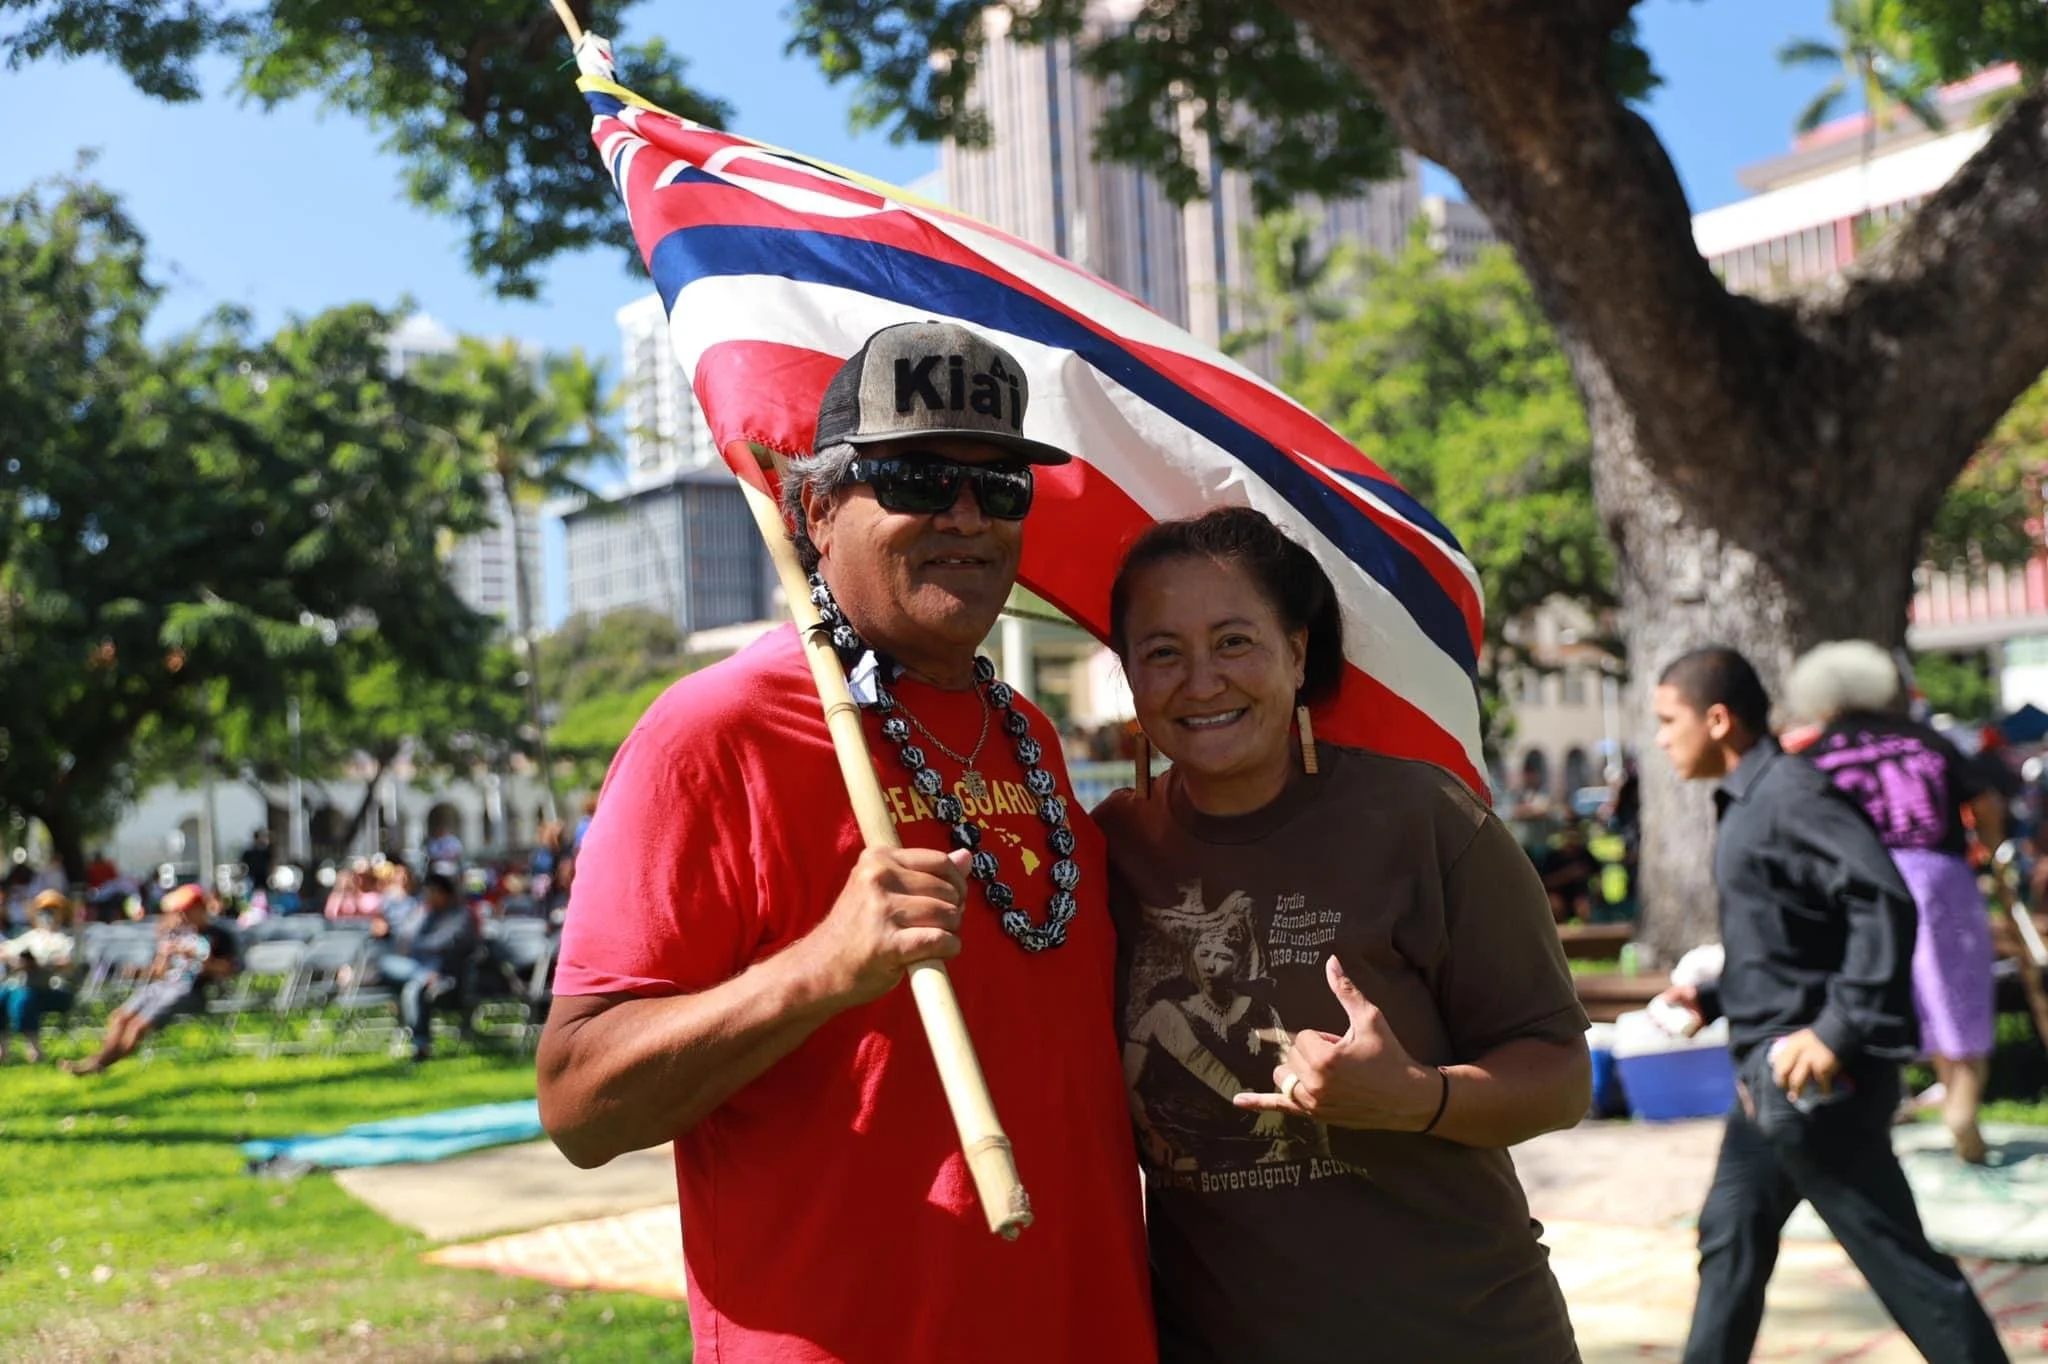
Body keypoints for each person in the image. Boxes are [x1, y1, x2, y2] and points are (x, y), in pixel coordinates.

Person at [537, 321, 1154, 1363]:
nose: (966, 515)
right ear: (817, 510)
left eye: (1000, 486)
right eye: (917, 478)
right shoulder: (714, 732)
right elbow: (578, 1102)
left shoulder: (1030, 734)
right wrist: (819, 969)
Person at [1098, 507, 1590, 1363]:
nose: (1202, 681)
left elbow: (1561, 1079)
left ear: (1298, 653)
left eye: (1235, 642)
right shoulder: (1104, 851)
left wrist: (1418, 1097)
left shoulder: (1425, 821)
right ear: (1131, 677)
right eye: (1163, 652)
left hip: (1464, 1338)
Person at [1651, 647, 2007, 1364]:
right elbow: (1799, 941)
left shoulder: (1792, 794)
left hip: (1815, 1084)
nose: (1660, 739)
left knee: (1902, 1265)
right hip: (1768, 1078)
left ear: (1717, 720)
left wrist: (1836, 1030)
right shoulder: (1751, 800)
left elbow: (1883, 899)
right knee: (1730, 1236)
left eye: (1667, 720)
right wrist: (1713, 996)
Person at [1789, 640, 2002, 1164]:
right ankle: (1961, 1109)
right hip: (1941, 879)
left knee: (1873, 993)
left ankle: (1880, 1107)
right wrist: (1990, 855)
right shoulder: (1926, 739)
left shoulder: (1814, 757)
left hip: (1859, 887)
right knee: (1956, 995)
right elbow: (1987, 801)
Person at [64, 884, 237, 1076]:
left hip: (191, 991)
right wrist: (164, 954)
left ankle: (99, 1064)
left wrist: (200, 961)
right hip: (162, 986)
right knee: (120, 1017)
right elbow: (158, 973)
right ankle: (98, 1061)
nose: (182, 916)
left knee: (138, 1026)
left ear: (200, 909)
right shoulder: (176, 934)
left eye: (186, 911)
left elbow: (228, 970)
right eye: (180, 912)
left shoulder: (218, 936)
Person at [372, 872, 479, 1062]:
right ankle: (423, 976)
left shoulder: (461, 916)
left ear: (444, 893)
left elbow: (443, 943)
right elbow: (404, 939)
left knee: (413, 989)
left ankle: (420, 1045)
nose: (427, 897)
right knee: (385, 962)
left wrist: (417, 946)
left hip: (447, 976)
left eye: (431, 892)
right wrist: (420, 915)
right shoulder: (423, 913)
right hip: (417, 970)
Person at [0, 890, 80, 1063]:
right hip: (28, 986)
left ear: (63, 912)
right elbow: (6, 950)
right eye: (43, 910)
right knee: (3, 994)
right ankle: (2, 1050)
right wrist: (18, 961)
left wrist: (42, 963)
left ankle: (34, 1050)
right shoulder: (30, 936)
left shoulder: (67, 938)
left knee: (23, 997)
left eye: (52, 910)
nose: (47, 915)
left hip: (58, 990)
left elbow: (69, 964)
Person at [240, 830, 273, 895]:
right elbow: (243, 866)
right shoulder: (248, 853)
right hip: (252, 880)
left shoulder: (267, 852)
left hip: (264, 880)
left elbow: (271, 864)